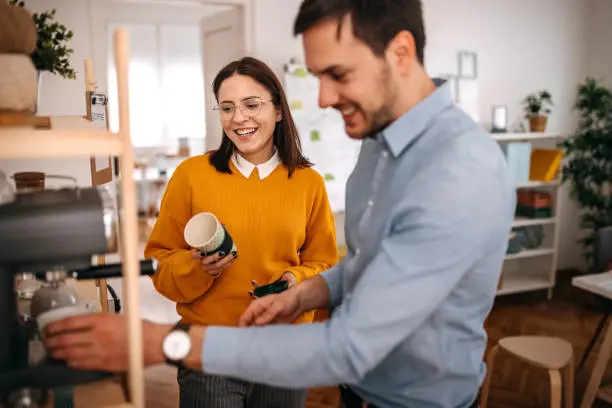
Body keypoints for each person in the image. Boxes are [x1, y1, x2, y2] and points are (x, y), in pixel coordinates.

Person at [43, 1, 515, 407]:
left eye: (338, 74)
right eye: (317, 77)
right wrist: (304, 294)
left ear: (401, 52)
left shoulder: (458, 173)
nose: (325, 98)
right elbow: (368, 265)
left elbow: (348, 346)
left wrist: (163, 342)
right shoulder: (377, 144)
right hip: (360, 392)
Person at [141, 56, 338, 408]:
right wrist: (196, 267)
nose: (239, 118)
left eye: (252, 105)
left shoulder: (308, 183)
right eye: (227, 107)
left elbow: (325, 264)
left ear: (278, 110)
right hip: (208, 350)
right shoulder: (191, 175)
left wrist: (295, 279)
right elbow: (158, 262)